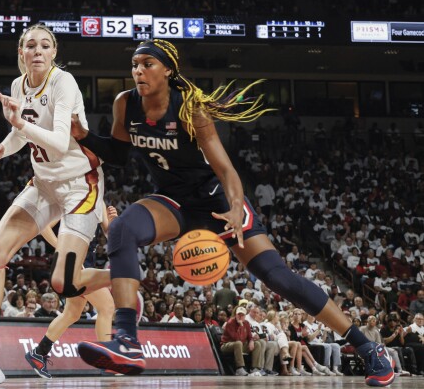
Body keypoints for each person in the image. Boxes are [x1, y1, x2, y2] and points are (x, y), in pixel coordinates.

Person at [72, 38, 395, 386]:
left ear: (167, 69)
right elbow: (118, 155)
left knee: (279, 278)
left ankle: (367, 348)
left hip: (215, 202)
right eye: (135, 65)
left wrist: (236, 208)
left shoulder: (189, 109)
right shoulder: (125, 103)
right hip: (175, 202)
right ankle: (127, 340)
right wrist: (84, 135)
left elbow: (226, 170)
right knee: (122, 229)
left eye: (147, 64)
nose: (138, 71)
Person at [0, 23, 108, 388]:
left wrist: (19, 123)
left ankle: (127, 271)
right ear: (21, 53)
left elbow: (61, 139)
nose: (37, 50)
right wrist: (3, 148)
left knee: (65, 283)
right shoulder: (19, 85)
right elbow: (22, 133)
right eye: (30, 45)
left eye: (45, 45)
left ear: (53, 53)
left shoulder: (63, 82)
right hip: (45, 183)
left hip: (80, 187)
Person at [25, 205, 116, 379]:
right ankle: (106, 361)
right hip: (73, 263)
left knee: (72, 314)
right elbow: (44, 227)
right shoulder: (72, 198)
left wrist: (114, 222)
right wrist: (63, 247)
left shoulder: (99, 201)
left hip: (86, 264)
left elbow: (110, 234)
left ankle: (39, 352)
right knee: (107, 307)